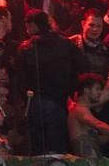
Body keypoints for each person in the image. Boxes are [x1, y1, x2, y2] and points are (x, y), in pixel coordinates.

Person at [15, 11, 87, 155]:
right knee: (57, 151)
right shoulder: (66, 44)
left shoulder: (26, 48)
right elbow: (84, 66)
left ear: (33, 25)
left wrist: (25, 100)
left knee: (37, 151)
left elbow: (20, 80)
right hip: (59, 103)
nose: (26, 30)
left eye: (27, 26)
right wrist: (71, 89)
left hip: (34, 103)